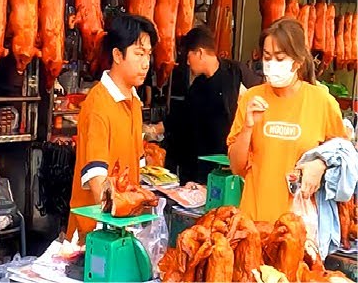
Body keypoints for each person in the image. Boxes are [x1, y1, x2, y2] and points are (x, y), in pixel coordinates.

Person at [228, 18, 346, 223]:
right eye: (267, 57)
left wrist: (321, 164)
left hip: (299, 229)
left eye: (280, 58)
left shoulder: (322, 102)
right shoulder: (251, 99)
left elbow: (345, 161)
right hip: (254, 224)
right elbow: (237, 167)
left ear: (298, 61)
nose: (272, 64)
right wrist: (248, 127)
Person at [67, 14, 156, 239]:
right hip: (95, 233)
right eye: (138, 54)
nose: (146, 63)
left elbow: (136, 170)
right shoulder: (98, 104)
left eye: (148, 54)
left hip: (125, 228)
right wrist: (118, 223)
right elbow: (98, 182)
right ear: (117, 55)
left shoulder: (135, 102)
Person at [164, 27, 261, 184]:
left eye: (188, 56)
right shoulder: (197, 86)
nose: (187, 63)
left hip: (229, 166)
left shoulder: (236, 73)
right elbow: (180, 121)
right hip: (198, 170)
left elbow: (261, 99)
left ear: (200, 53)